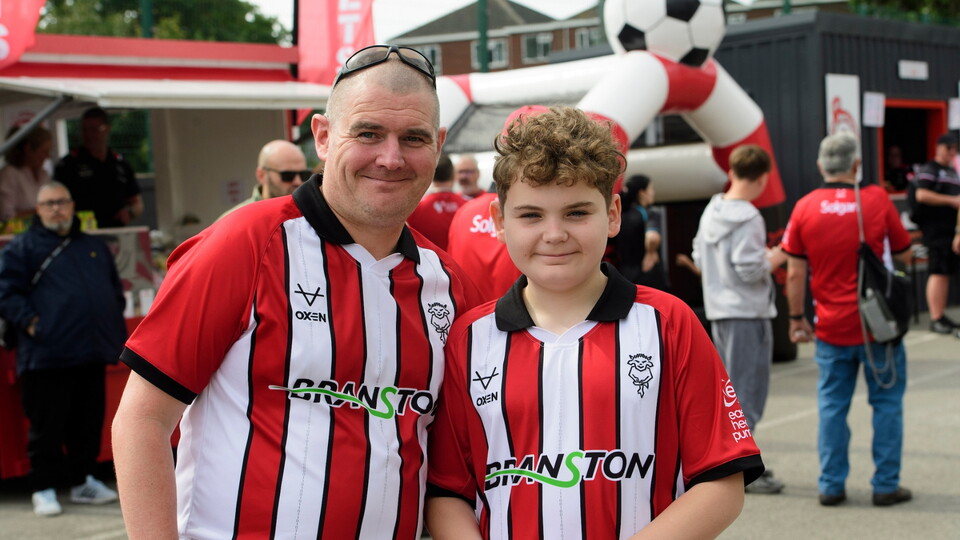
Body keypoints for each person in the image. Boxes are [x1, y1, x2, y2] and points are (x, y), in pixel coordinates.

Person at [111, 45, 481, 539]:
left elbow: (452, 467)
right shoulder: (245, 243)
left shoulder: (452, 286)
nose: (391, 158)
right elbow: (142, 421)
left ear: (436, 147)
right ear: (324, 136)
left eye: (412, 138)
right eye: (368, 133)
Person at [426, 106, 764, 539]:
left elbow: (723, 481)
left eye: (576, 213)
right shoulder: (468, 339)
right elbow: (447, 490)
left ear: (613, 214)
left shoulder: (668, 324)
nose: (554, 233)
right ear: (498, 222)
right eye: (531, 215)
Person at [782, 132, 913, 507]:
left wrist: (796, 317)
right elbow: (904, 253)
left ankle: (831, 485)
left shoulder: (805, 207)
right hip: (879, 327)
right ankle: (886, 485)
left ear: (821, 166)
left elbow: (794, 273)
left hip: (830, 328)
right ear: (857, 165)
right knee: (887, 403)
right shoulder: (875, 200)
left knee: (832, 407)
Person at [0, 182, 126, 516]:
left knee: (88, 422)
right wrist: (31, 323)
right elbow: (6, 292)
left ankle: (82, 480)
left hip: (91, 351)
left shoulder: (91, 246)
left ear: (73, 206)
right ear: (38, 210)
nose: (56, 209)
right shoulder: (22, 248)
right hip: (46, 354)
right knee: (47, 426)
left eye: (61, 202)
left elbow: (114, 291)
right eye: (48, 204)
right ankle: (43, 486)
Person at [692, 144, 786, 495]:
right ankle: (740, 470)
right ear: (763, 178)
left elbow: (699, 256)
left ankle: (731, 464)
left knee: (730, 392)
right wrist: (776, 258)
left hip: (720, 308)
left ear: (731, 172)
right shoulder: (749, 217)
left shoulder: (712, 209)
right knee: (748, 393)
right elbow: (749, 270)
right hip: (747, 312)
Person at [53, 107, 143, 228]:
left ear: (107, 129)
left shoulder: (120, 163)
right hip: (80, 234)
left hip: (114, 231)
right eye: (85, 130)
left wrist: (130, 213)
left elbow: (136, 202)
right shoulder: (68, 164)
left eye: (94, 130)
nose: (89, 135)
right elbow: (56, 202)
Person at [911, 133, 960, 334]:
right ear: (942, 148)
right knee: (938, 272)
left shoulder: (951, 171)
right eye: (951, 149)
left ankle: (941, 315)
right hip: (935, 231)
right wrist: (951, 201)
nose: (953, 153)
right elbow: (921, 194)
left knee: (945, 273)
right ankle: (935, 317)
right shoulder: (930, 169)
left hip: (950, 231)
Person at [218, 139, 310, 219]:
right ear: (261, 175)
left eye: (303, 175)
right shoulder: (234, 219)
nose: (298, 181)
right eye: (287, 175)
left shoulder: (311, 214)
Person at [406, 153, 466, 249]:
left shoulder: (416, 208)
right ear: (453, 175)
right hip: (458, 261)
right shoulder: (466, 205)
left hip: (428, 262)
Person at [0, 125, 53, 222]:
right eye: (44, 152)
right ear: (28, 150)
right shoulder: (9, 174)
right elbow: (6, 216)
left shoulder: (43, 174)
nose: (47, 156)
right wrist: (40, 212)